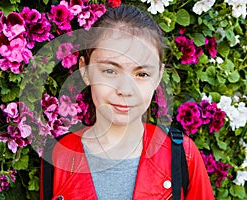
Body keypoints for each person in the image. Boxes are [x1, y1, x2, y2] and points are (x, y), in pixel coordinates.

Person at [42, 4, 215, 200]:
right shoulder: (58, 155)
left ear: (158, 76)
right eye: (110, 71)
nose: (125, 90)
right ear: (85, 71)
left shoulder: (183, 154)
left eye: (141, 74)